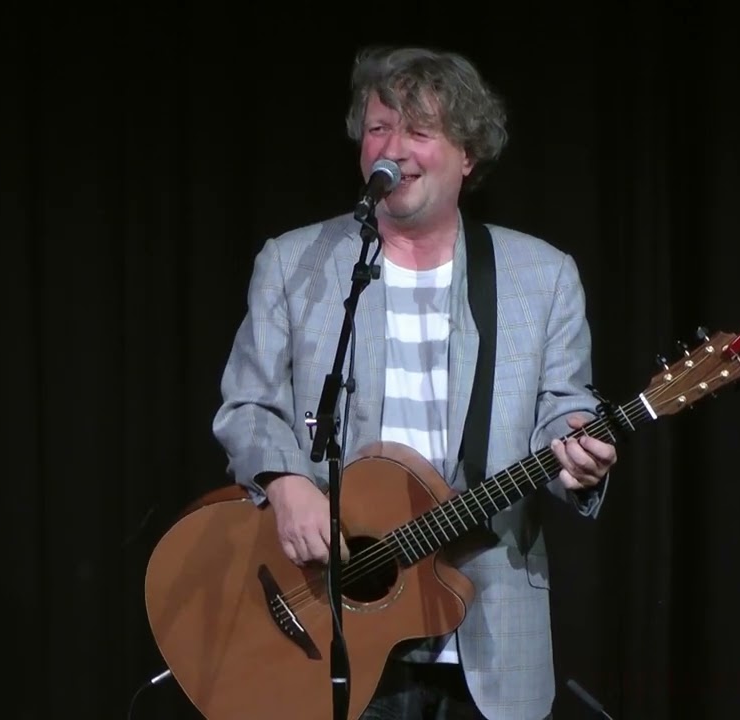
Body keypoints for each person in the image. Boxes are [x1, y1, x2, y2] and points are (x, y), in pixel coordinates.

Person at [211, 45, 617, 720]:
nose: (391, 148)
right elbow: (248, 405)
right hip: (336, 627)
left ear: (468, 155)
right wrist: (283, 483)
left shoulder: (540, 276)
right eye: (378, 128)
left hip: (488, 633)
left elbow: (563, 410)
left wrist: (577, 452)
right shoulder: (296, 264)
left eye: (418, 132)